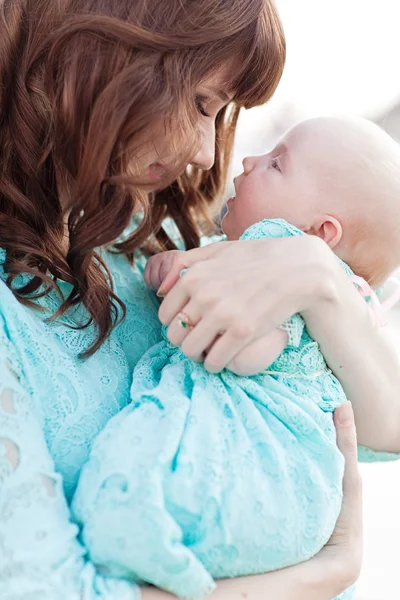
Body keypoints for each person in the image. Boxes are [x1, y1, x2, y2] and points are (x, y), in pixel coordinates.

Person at [0, 1, 394, 598]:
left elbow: (375, 426)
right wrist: (321, 576)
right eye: (202, 103)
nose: (209, 154)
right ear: (107, 52)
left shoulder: (130, 241)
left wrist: (322, 278)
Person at [71, 115, 400, 600]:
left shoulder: (288, 261)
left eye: (276, 164)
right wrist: (175, 270)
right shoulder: (255, 259)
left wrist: (189, 298)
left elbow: (245, 351)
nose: (247, 161)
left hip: (265, 470)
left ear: (321, 232)